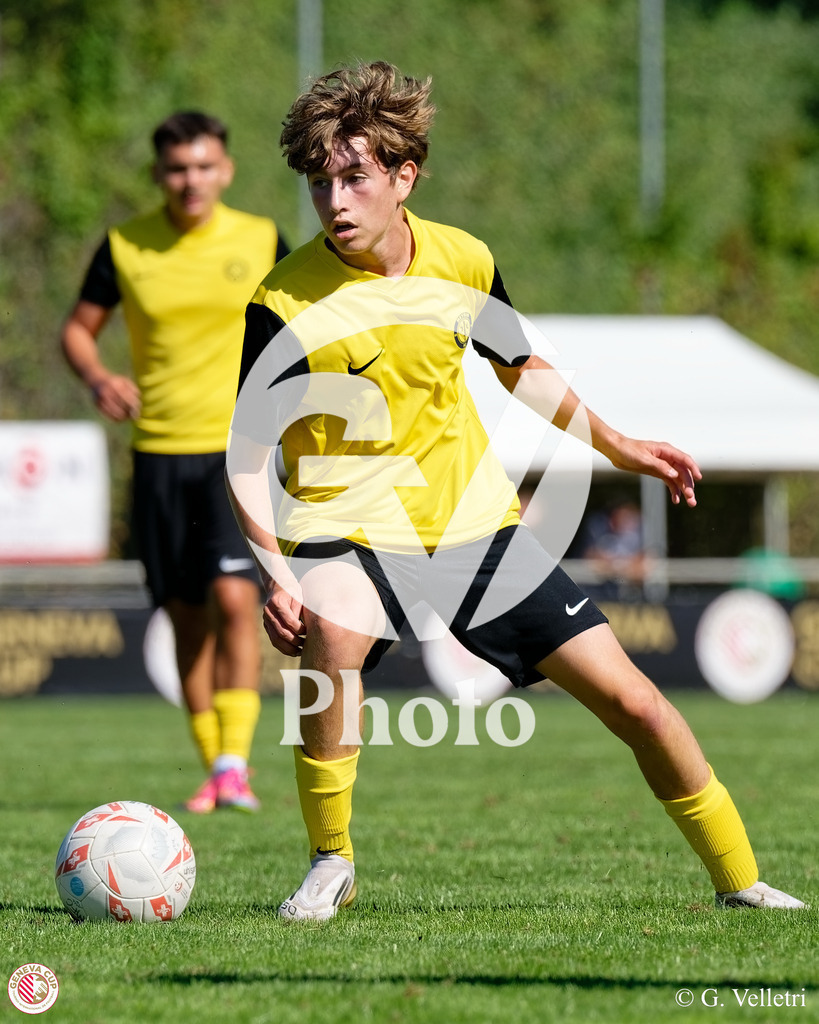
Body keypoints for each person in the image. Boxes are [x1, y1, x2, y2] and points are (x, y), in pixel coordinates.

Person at [227, 62, 806, 918]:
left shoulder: (463, 259)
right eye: (320, 184)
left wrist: (617, 444)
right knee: (334, 645)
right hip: (347, 526)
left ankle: (739, 880)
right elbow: (246, 452)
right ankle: (330, 860)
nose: (335, 202)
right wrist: (275, 572)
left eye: (354, 178)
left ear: (402, 176)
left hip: (470, 527)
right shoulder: (282, 299)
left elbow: (518, 368)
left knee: (637, 702)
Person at [61, 111, 290, 814]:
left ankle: (234, 763)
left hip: (237, 453)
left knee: (234, 599)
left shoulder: (260, 239)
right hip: (157, 455)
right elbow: (77, 328)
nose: (190, 179)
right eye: (177, 168)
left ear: (225, 169)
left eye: (203, 166)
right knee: (185, 617)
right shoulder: (126, 246)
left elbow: (299, 322)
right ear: (159, 174)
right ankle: (216, 768)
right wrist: (99, 377)